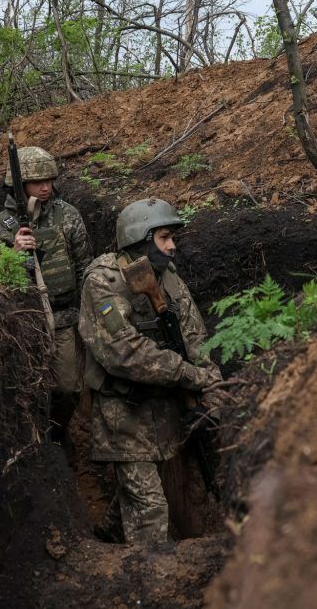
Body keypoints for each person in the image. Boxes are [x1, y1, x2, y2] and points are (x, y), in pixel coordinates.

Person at [78, 198, 222, 544]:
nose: (173, 247)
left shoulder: (168, 278)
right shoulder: (103, 282)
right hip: (125, 415)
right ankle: (149, 572)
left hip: (167, 410)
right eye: (164, 238)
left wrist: (212, 391)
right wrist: (189, 375)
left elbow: (195, 338)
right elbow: (123, 352)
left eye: (173, 238)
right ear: (140, 240)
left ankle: (107, 538)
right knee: (150, 509)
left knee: (144, 494)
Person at [0, 145, 92, 442]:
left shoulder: (67, 215)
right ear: (19, 185)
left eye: (49, 181)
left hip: (63, 318)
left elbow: (84, 264)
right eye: (37, 182)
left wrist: (85, 313)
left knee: (68, 388)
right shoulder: (1, 226)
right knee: (26, 389)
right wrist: (13, 253)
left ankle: (57, 436)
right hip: (23, 322)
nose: (45, 187)